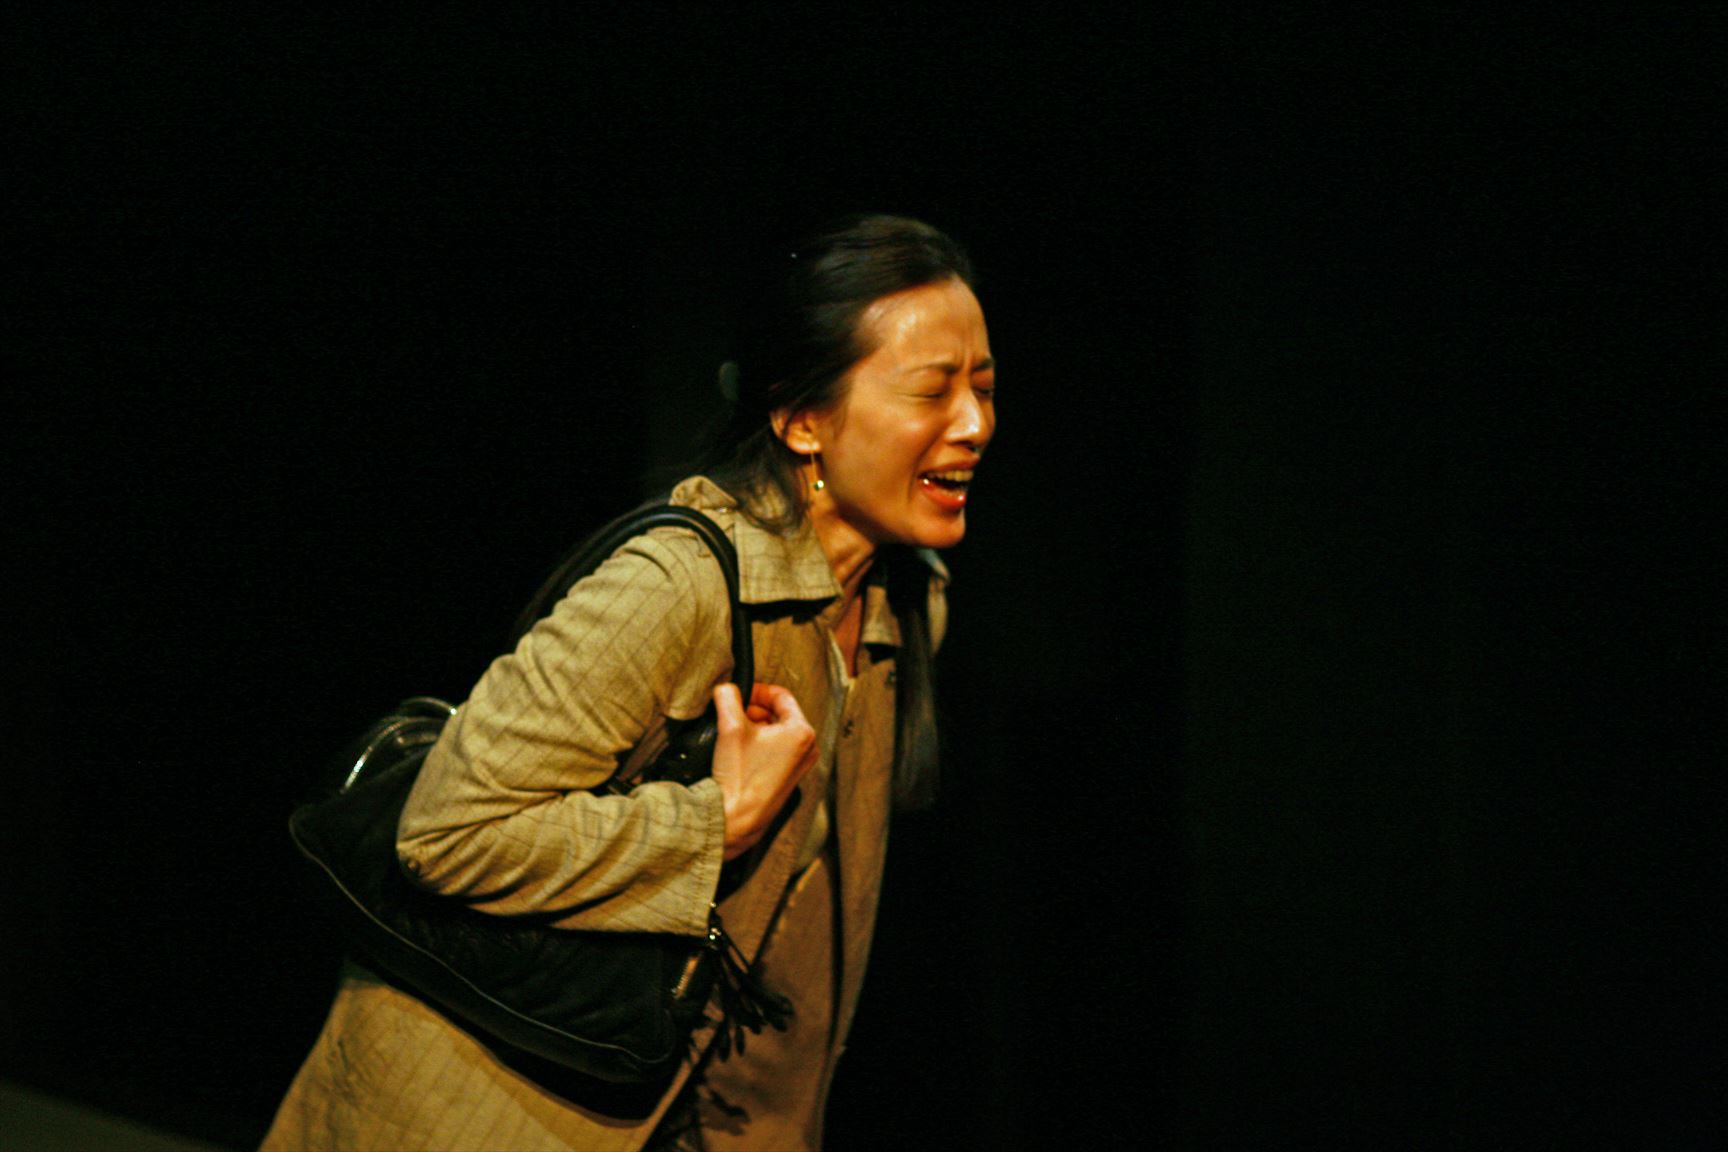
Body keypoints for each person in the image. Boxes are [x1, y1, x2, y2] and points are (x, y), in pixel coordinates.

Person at [261, 214, 996, 1151]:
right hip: (476, 1110)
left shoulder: (906, 605)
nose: (974, 425)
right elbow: (445, 832)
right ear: (801, 418)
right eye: (933, 391)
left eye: (983, 388)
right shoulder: (679, 586)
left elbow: (794, 953)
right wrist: (713, 822)